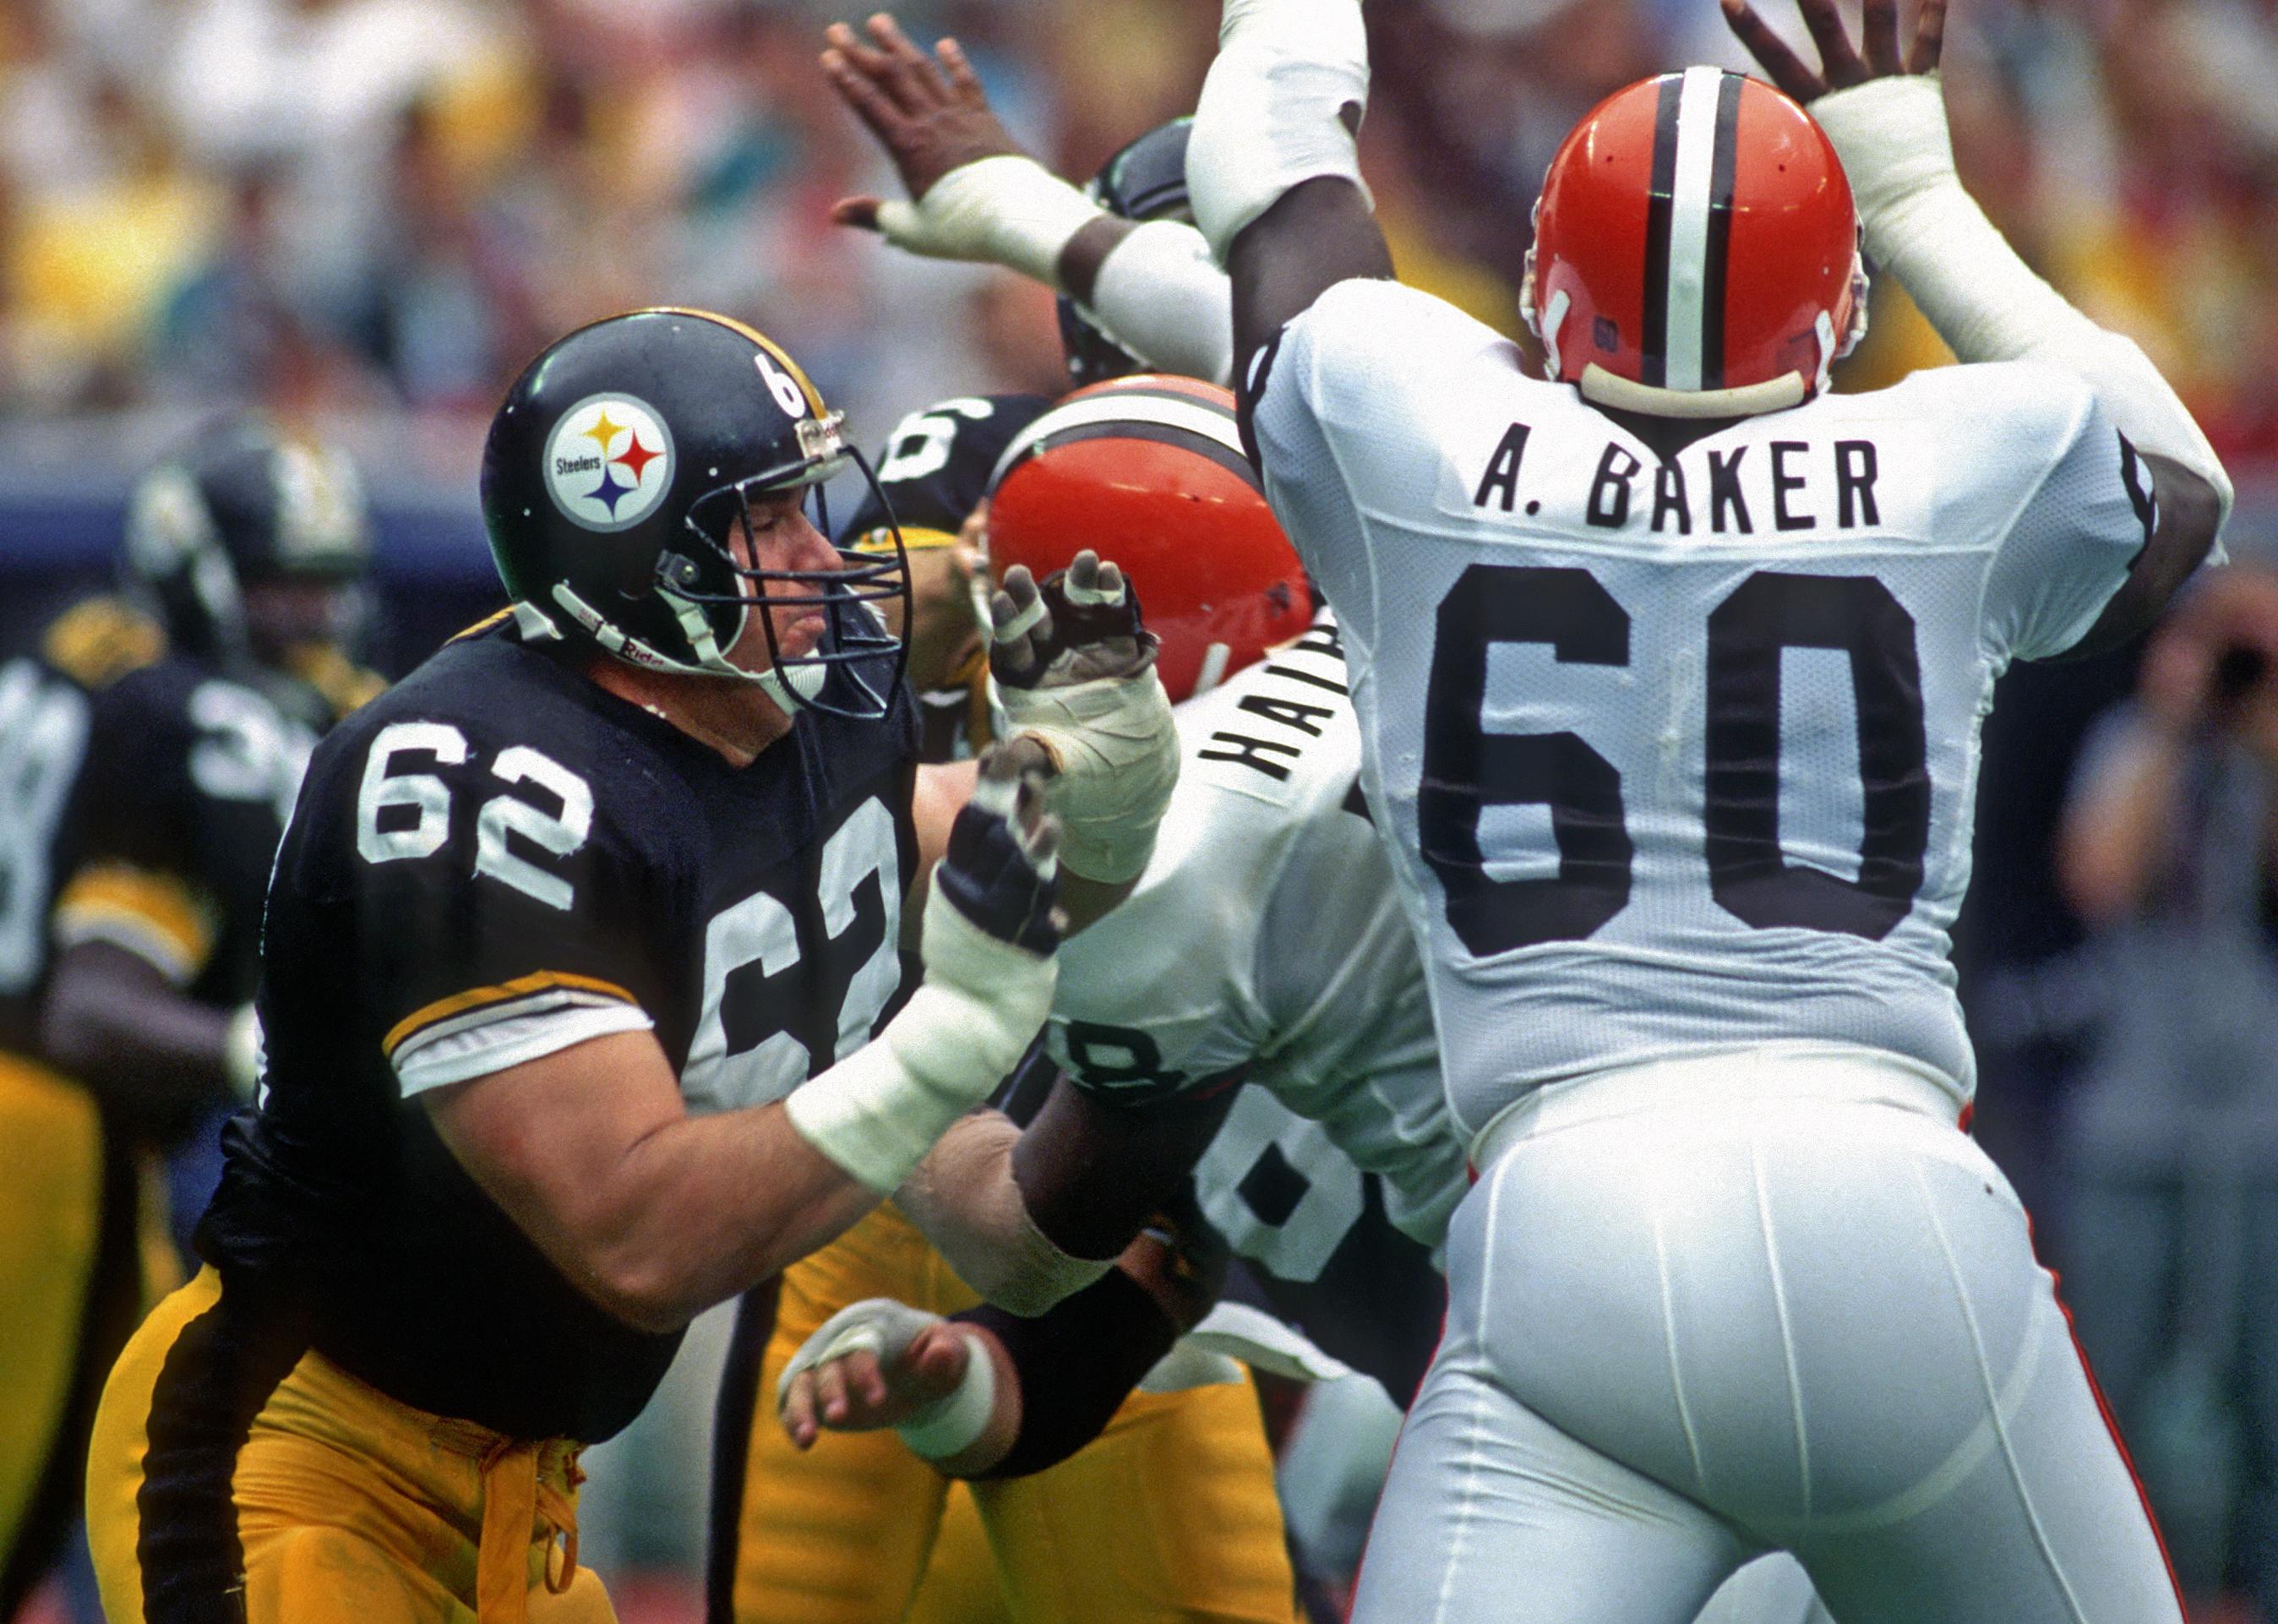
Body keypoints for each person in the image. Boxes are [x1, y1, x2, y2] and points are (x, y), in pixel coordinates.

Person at [1161, 0, 2231, 1615]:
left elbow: (1273, 175)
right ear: (1832, 315)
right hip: (1898, 1216)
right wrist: (1920, 192)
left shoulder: (1406, 419)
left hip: (1564, 1229)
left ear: (1543, 294)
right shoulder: (1958, 457)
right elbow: (2183, 483)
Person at [80, 307, 1181, 1624]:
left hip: (532, 1506)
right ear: (640, 544)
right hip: (302, 1464)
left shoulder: (806, 713)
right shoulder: (484, 785)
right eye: (771, 517)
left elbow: (1004, 892)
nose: (823, 554)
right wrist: (951, 1028)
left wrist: (1113, 778)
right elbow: (638, 1237)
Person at [714, 383, 1306, 1624]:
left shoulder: (1299, 843)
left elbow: (1116, 1259)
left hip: (1079, 1215)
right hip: (889, 1202)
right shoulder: (1014, 484)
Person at [0, 417, 376, 1620]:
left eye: (318, 589)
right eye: (275, 588)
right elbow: (85, 997)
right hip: (45, 1113)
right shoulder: (180, 713)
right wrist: (254, 1047)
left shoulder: (72, 659)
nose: (304, 623)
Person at [2053, 559, 2278, 1610]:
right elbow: (2099, 875)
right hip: (2130, 1123)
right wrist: (2170, 717)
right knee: (2112, 1403)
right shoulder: (2132, 745)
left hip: (2260, 1126)